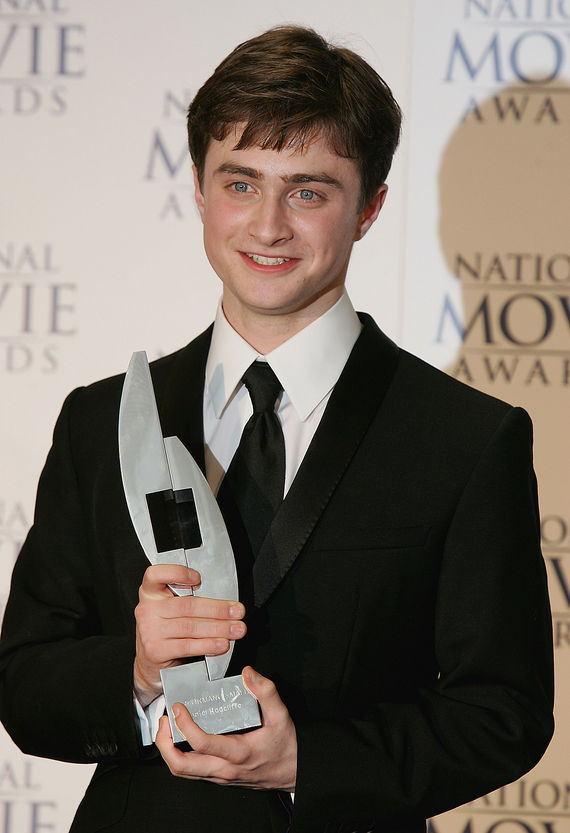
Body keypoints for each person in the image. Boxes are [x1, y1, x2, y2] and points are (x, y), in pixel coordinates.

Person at [0, 25, 554, 833]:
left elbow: (503, 710)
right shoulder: (102, 419)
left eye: (308, 192)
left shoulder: (467, 439)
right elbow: (24, 682)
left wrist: (309, 762)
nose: (267, 226)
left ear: (369, 208)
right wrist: (139, 670)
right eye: (240, 183)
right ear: (199, 190)